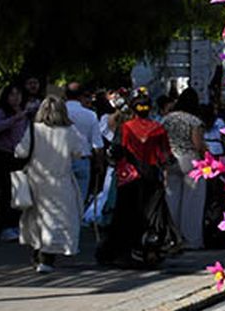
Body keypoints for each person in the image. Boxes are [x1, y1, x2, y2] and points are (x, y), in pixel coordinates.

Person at [96, 95, 181, 266]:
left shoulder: (126, 128)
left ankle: (123, 251)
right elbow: (166, 154)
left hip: (130, 177)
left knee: (125, 215)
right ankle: (150, 248)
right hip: (151, 176)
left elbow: (117, 150)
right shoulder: (157, 128)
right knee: (152, 215)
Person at [15, 95, 90, 272]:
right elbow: (82, 151)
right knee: (56, 219)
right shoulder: (70, 131)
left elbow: (20, 152)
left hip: (36, 181)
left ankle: (37, 251)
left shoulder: (34, 129)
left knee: (36, 218)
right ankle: (47, 258)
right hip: (61, 181)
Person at [161, 88, 207, 248]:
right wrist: (206, 154)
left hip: (171, 159)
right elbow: (197, 144)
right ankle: (191, 239)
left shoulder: (167, 119)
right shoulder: (194, 121)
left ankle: (171, 236)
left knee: (171, 199)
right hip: (190, 160)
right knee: (192, 201)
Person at [0, 83, 30, 240]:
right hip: (3, 156)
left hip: (19, 157)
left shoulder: (25, 113)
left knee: (19, 191)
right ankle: (5, 225)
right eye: (12, 94)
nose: (16, 98)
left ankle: (16, 223)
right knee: (7, 191)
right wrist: (13, 119)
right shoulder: (1, 112)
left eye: (18, 94)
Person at [64, 82, 105, 216]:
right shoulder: (90, 115)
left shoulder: (59, 113)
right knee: (79, 200)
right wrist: (99, 163)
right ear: (81, 96)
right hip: (82, 159)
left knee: (62, 198)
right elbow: (97, 145)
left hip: (62, 160)